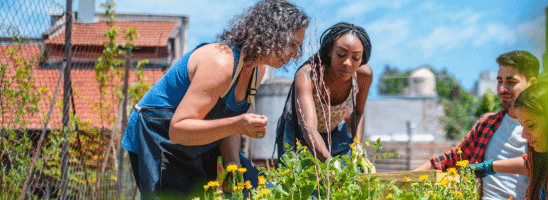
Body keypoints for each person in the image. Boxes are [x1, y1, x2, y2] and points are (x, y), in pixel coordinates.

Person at [121, 0, 309, 198]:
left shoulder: (257, 71)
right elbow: (178, 130)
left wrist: (232, 167)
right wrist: (238, 124)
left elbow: (227, 121)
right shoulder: (221, 63)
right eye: (292, 44)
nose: (295, 54)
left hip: (195, 144)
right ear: (272, 34)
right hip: (159, 138)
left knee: (261, 191)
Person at [415, 50, 539, 200]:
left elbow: (536, 163)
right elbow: (453, 158)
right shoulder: (487, 124)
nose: (502, 89)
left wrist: (487, 166)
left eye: (511, 82)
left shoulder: (540, 128)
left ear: (532, 83)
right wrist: (405, 178)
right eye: (499, 81)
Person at [277, 22, 372, 162]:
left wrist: (358, 146)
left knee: (350, 177)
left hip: (334, 131)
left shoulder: (363, 76)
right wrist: (331, 165)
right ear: (329, 51)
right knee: (299, 181)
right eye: (341, 54)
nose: (347, 63)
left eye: (356, 58)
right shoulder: (309, 75)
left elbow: (358, 112)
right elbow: (308, 128)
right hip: (299, 134)